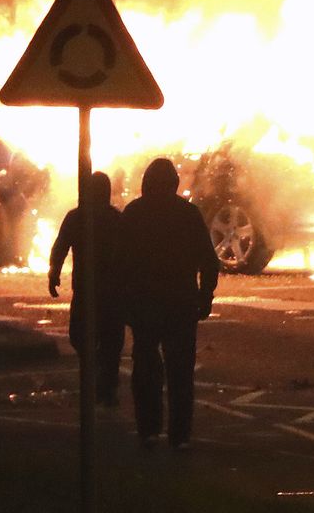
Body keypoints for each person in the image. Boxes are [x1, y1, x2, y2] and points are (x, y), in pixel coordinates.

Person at [120, 158, 219, 450]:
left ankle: (149, 428)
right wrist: (205, 297)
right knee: (181, 373)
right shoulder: (188, 215)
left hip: (145, 305)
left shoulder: (134, 213)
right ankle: (180, 434)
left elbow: (118, 263)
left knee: (146, 368)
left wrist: (123, 302)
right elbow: (209, 262)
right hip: (180, 304)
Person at [47, 171, 126, 406]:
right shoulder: (114, 218)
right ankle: (106, 386)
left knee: (86, 337)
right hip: (109, 293)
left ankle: (101, 385)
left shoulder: (77, 217)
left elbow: (59, 248)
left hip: (92, 290)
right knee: (108, 343)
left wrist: (54, 274)